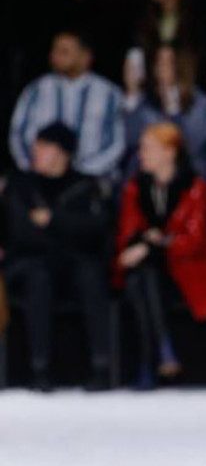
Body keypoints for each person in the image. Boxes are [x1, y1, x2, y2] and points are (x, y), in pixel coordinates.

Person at [113, 122, 206, 388]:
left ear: (169, 152)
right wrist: (149, 244)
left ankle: (151, 360)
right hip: (154, 269)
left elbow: (193, 240)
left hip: (191, 268)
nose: (141, 154)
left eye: (147, 148)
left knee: (143, 276)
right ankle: (163, 350)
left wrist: (151, 245)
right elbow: (129, 231)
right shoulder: (136, 187)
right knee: (143, 277)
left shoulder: (196, 186)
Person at [3, 121, 112, 391]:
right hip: (31, 264)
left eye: (43, 146)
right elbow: (21, 233)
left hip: (73, 263)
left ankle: (101, 367)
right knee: (39, 277)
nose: (35, 151)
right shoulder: (21, 185)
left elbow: (97, 229)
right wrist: (65, 232)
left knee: (90, 275)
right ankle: (39, 368)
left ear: (62, 153)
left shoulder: (84, 186)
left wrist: (54, 220)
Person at [8, 28, 125, 179]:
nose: (55, 56)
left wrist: (84, 172)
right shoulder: (36, 89)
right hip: (40, 179)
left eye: (64, 51)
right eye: (54, 50)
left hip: (93, 180)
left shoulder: (109, 94)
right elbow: (18, 133)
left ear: (85, 57)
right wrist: (30, 168)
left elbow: (118, 143)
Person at [122, 43, 206, 182]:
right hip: (151, 180)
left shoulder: (201, 102)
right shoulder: (146, 103)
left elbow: (195, 143)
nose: (162, 67)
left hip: (192, 181)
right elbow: (131, 140)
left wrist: (173, 106)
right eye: (159, 61)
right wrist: (132, 92)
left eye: (169, 62)